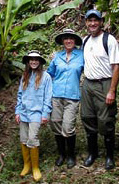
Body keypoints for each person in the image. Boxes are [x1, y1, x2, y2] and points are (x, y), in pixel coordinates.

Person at [81, 9, 119, 170]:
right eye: (89, 20)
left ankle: (110, 156)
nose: (92, 23)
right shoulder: (85, 40)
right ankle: (93, 153)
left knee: (106, 120)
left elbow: (116, 66)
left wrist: (112, 90)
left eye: (95, 20)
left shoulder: (109, 40)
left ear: (101, 22)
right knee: (87, 117)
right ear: (86, 23)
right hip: (88, 84)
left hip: (104, 83)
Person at [47, 29, 84, 169]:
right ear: (62, 41)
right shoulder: (57, 56)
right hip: (56, 95)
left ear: (75, 41)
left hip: (72, 96)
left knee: (68, 127)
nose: (68, 41)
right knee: (56, 125)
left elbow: (91, 68)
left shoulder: (81, 55)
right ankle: (61, 154)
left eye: (71, 38)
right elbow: (49, 74)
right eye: (66, 38)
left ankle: (70, 155)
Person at [15, 50, 52, 181]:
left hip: (37, 113)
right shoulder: (25, 76)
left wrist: (45, 113)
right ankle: (27, 165)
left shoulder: (46, 77)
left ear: (40, 61)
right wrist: (17, 111)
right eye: (31, 59)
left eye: (36, 59)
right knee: (23, 138)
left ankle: (35, 167)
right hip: (24, 112)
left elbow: (48, 97)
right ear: (28, 62)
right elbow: (20, 95)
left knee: (33, 138)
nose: (34, 61)